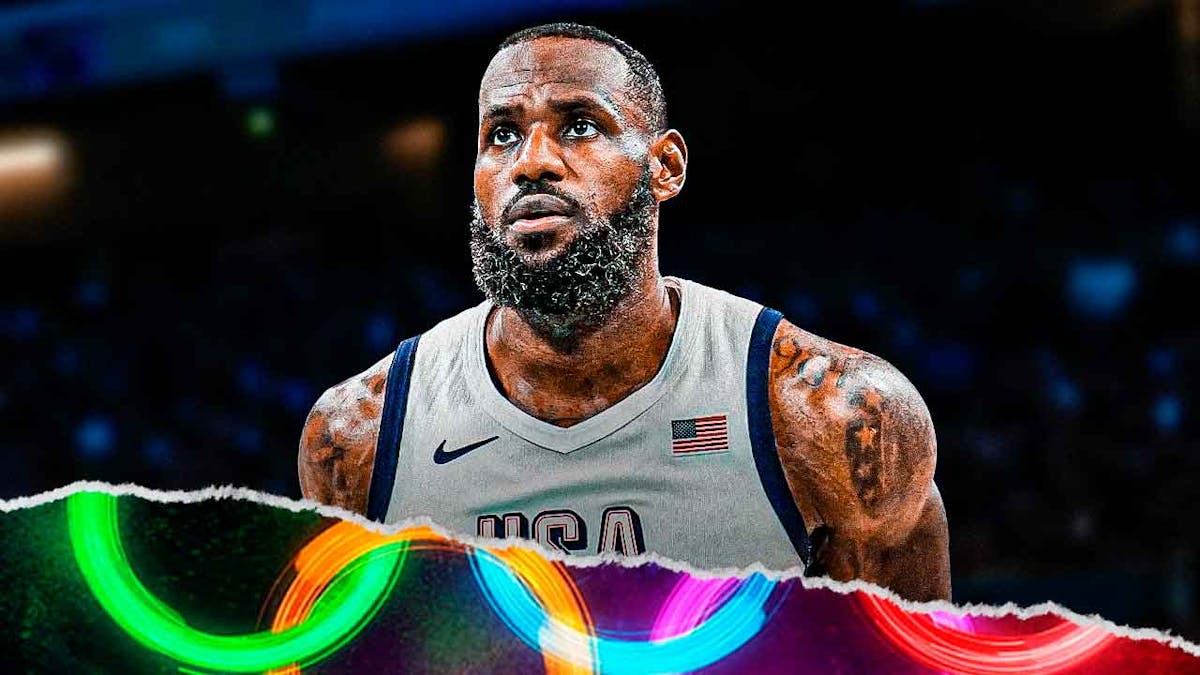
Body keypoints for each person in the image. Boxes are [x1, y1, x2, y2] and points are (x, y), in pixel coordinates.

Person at [299, 22, 950, 601]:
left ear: (665, 166)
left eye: (580, 125)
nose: (532, 162)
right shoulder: (360, 434)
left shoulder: (834, 413)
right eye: (501, 135)